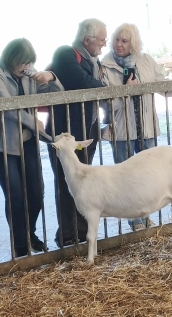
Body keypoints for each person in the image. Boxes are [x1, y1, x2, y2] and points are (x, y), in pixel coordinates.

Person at [0, 38, 63, 257]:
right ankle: (20, 244)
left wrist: (50, 76)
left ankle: (30, 233)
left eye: (29, 63)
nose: (26, 67)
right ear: (12, 58)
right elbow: (8, 108)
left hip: (28, 141)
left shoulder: (30, 74)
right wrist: (33, 122)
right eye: (23, 62)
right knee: (15, 194)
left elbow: (59, 93)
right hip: (4, 145)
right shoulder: (1, 75)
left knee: (36, 192)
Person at [47, 18, 107, 248]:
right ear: (87, 39)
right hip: (66, 134)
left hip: (86, 130)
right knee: (66, 182)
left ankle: (82, 232)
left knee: (83, 182)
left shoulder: (94, 61)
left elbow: (91, 83)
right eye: (101, 40)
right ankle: (67, 234)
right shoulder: (65, 54)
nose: (104, 44)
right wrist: (105, 88)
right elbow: (81, 82)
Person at [100, 23, 165, 230]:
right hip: (121, 131)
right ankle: (134, 220)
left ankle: (146, 215)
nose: (119, 45)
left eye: (124, 41)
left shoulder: (146, 60)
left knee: (150, 175)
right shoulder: (105, 65)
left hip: (147, 128)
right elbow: (106, 104)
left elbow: (163, 84)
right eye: (116, 40)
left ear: (133, 43)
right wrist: (126, 91)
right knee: (126, 179)